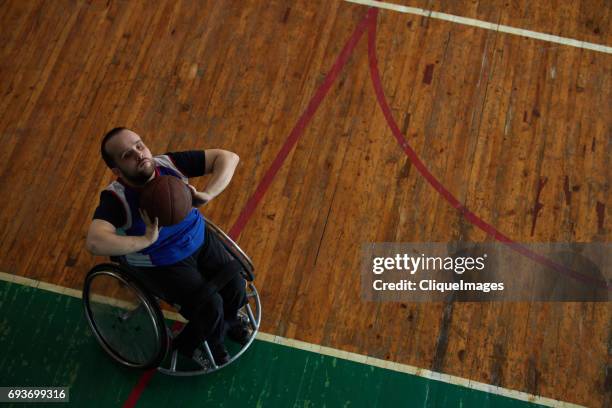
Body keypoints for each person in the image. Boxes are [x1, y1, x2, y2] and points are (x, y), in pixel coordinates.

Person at [85, 127, 249, 366]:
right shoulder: (115, 199)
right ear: (117, 171)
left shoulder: (170, 164)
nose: (139, 154)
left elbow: (228, 157)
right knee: (210, 307)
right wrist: (144, 241)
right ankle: (191, 345)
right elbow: (94, 241)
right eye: (127, 155)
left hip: (198, 238)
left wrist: (209, 194)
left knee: (235, 283)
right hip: (161, 261)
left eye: (139, 145)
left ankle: (230, 322)